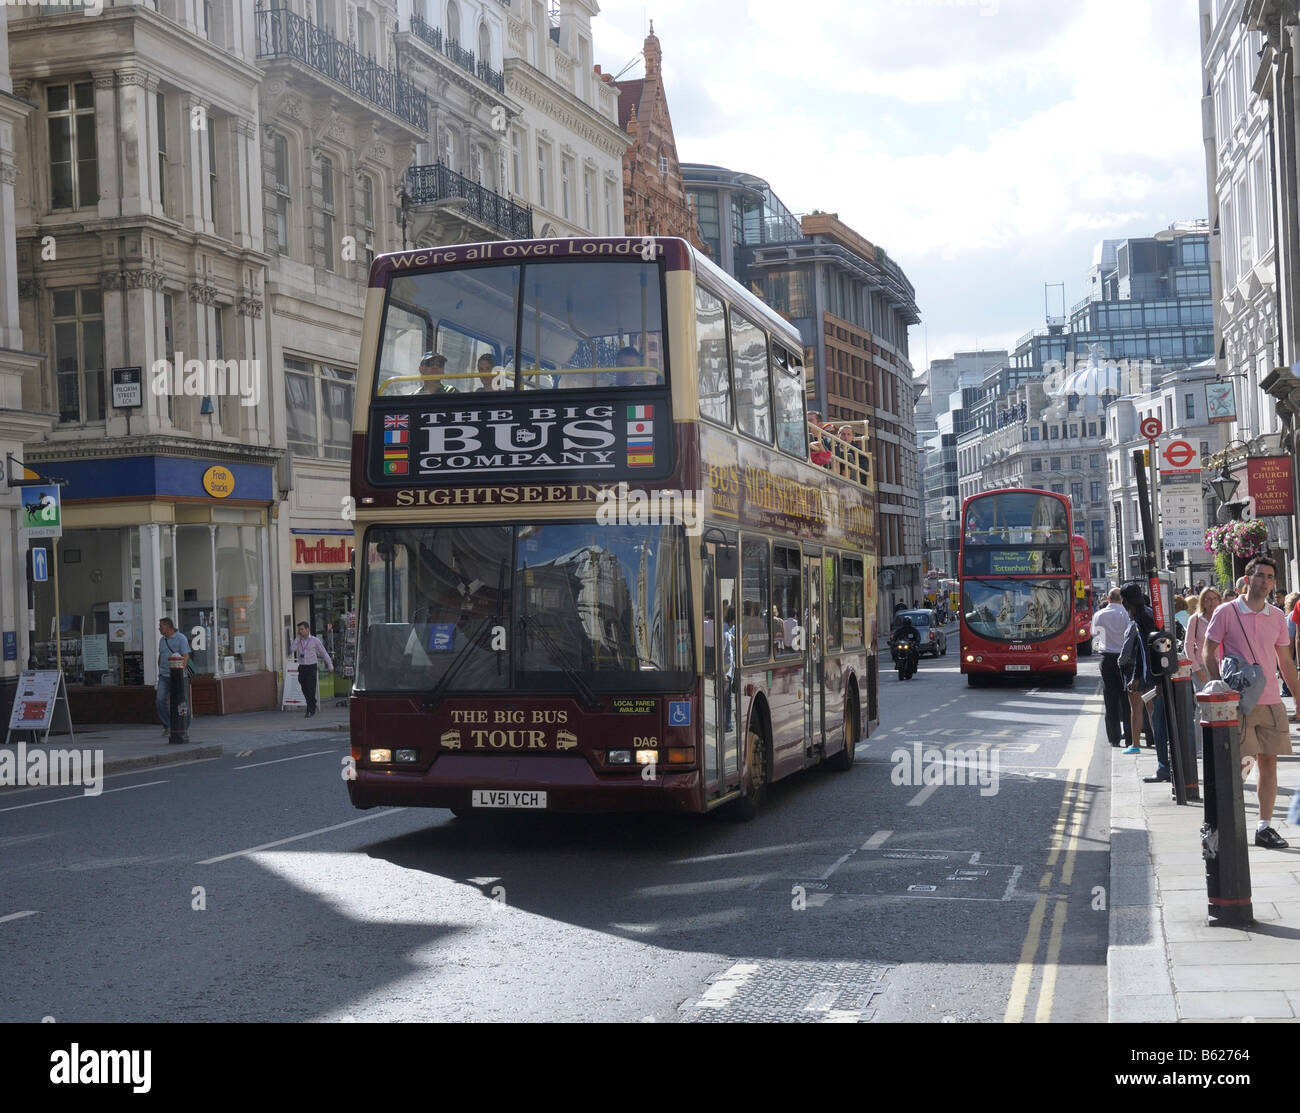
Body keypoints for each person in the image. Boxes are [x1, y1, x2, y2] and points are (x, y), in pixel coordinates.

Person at [1203, 555, 1300, 849]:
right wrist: (1220, 688)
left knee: (1269, 764)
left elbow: (1285, 660)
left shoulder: (1276, 617)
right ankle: (1225, 824)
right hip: (1240, 703)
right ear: (1247, 579)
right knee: (1240, 766)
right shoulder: (1226, 611)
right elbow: (1209, 651)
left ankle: (1264, 827)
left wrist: (1297, 697)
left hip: (1271, 701)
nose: (1265, 582)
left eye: (1270, 577)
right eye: (1260, 576)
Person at [1118, 583, 1170, 777]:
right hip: (1150, 678)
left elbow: (1156, 649)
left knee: (1158, 721)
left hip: (1156, 679)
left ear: (1126, 601)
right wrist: (1136, 677)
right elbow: (1141, 650)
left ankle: (1164, 767)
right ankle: (1163, 765)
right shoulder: (1142, 615)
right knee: (1156, 720)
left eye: (1124, 600)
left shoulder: (1145, 617)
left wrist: (1158, 682)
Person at [1091, 587, 1132, 748]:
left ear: (1108, 599)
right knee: (1126, 699)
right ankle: (1129, 737)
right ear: (1122, 599)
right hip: (1125, 659)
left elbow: (1095, 634)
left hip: (1107, 658)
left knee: (1110, 699)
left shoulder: (1099, 615)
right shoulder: (1127, 614)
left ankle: (1114, 738)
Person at [156, 617, 191, 737]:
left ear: (168, 626)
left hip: (179, 676)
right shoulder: (162, 640)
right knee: (160, 700)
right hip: (164, 676)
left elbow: (186, 656)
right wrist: (160, 669)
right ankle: (168, 726)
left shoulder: (181, 638)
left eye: (161, 626)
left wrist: (180, 672)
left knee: (183, 702)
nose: (159, 628)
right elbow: (161, 655)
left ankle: (183, 727)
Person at [293, 620, 334, 719]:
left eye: (302, 629)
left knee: (311, 688)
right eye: (299, 630)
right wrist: (296, 640)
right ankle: (312, 702)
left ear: (307, 629)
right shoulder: (298, 641)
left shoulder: (315, 640)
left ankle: (310, 709)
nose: (300, 631)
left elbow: (323, 652)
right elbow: (292, 649)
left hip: (311, 666)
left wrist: (330, 665)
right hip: (302, 666)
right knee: (304, 687)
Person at [1185, 586, 1222, 689]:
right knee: (1204, 702)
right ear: (1203, 602)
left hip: (1222, 666)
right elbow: (1188, 646)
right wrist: (1196, 669)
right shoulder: (1195, 619)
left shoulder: (1224, 618)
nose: (1212, 602)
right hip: (1202, 666)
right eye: (1208, 599)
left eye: (1215, 598)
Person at [722, 605, 736, 732]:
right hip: (726, 672)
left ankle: (727, 723)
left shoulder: (728, 631)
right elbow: (720, 654)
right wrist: (723, 674)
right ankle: (727, 724)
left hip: (729, 670)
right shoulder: (725, 633)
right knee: (727, 700)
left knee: (728, 699)